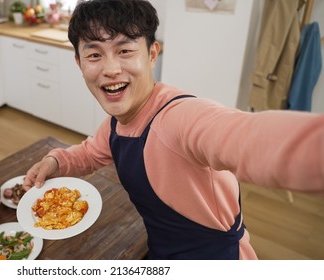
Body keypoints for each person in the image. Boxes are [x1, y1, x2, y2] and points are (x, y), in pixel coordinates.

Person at [22, 0, 324, 259]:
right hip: (163, 251)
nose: (110, 69)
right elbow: (89, 153)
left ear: (152, 54)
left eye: (125, 50)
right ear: (79, 62)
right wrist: (56, 161)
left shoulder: (180, 118)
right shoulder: (116, 125)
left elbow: (249, 137)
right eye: (94, 54)